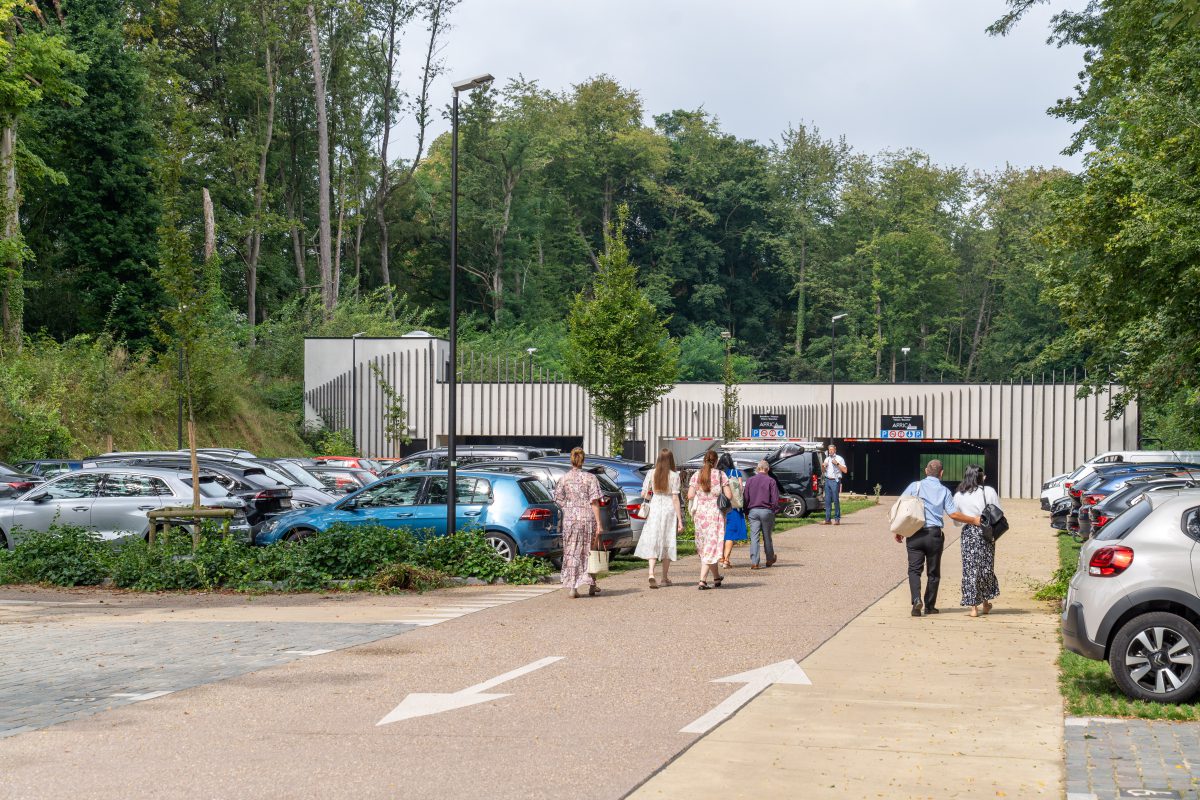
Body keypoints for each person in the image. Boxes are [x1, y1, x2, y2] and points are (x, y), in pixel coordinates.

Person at [894, 459, 980, 616]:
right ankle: (930, 606)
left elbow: (901, 506)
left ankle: (916, 600)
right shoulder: (945, 491)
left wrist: (899, 530)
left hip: (914, 533)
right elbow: (953, 514)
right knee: (933, 573)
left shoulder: (915, 486)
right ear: (941, 473)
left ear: (926, 471)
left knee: (914, 570)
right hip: (934, 536)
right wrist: (974, 520)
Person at [553, 447, 605, 599]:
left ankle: (573, 587)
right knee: (589, 551)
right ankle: (592, 584)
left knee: (572, 552)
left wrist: (569, 509)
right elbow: (594, 502)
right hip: (587, 518)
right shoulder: (591, 478)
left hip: (570, 519)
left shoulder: (564, 478)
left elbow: (558, 499)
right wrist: (599, 524)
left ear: (571, 459)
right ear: (583, 460)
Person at [953, 464, 1001, 617]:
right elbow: (999, 512)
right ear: (982, 477)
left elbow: (957, 521)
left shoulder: (959, 495)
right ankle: (986, 604)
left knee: (970, 569)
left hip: (969, 533)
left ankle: (973, 608)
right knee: (986, 567)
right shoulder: (989, 491)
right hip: (987, 532)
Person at [635, 448, 684, 588]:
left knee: (654, 539)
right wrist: (680, 521)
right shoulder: (674, 476)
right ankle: (664, 577)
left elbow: (644, 494)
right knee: (667, 539)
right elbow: (675, 498)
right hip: (669, 509)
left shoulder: (651, 473)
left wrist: (653, 497)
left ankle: (651, 572)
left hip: (655, 508)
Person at [688, 450, 733, 589]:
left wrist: (700, 495)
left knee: (706, 548)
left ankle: (716, 578)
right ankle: (702, 580)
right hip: (715, 514)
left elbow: (690, 495)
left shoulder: (696, 475)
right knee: (711, 548)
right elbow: (729, 496)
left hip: (700, 516)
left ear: (704, 460)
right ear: (716, 461)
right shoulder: (721, 475)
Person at [743, 460, 779, 569]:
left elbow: (746, 497)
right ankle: (769, 559)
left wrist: (746, 511)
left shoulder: (750, 480)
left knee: (754, 537)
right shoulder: (771, 481)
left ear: (758, 469)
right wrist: (774, 511)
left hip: (753, 511)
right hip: (767, 511)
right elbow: (775, 499)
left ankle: (755, 562)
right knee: (767, 537)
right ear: (768, 469)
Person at [717, 453, 747, 567]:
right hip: (733, 507)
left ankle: (720, 557)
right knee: (730, 534)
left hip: (718, 507)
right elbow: (740, 489)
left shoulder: (717, 473)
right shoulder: (736, 473)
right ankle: (726, 560)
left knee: (720, 533)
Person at [821, 444, 848, 525]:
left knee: (835, 500)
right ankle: (827, 519)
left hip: (835, 481)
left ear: (835, 450)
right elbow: (823, 471)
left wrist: (837, 464)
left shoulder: (840, 458)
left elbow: (845, 471)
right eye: (829, 450)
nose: (831, 451)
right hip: (827, 480)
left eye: (832, 450)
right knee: (827, 500)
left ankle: (837, 519)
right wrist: (823, 466)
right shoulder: (827, 459)